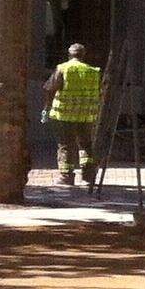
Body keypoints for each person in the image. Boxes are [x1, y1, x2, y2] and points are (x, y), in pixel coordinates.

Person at [42, 42, 104, 186]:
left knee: (65, 145)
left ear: (69, 54)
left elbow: (49, 88)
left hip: (65, 114)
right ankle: (88, 177)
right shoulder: (93, 71)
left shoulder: (63, 68)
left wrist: (47, 108)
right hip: (86, 115)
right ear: (83, 55)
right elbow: (99, 92)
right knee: (86, 145)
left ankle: (66, 177)